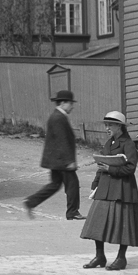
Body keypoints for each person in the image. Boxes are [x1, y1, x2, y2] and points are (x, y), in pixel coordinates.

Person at [80, 110, 138, 271]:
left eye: (110, 125)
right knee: (97, 221)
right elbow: (102, 165)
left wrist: (111, 169)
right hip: (105, 188)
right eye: (106, 125)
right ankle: (100, 256)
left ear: (119, 126)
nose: (107, 128)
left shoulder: (128, 144)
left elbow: (130, 168)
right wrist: (96, 182)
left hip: (122, 189)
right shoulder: (109, 143)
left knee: (123, 224)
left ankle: (121, 258)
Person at [23, 88, 83, 221]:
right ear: (62, 103)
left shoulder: (58, 116)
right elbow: (62, 140)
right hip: (62, 160)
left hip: (56, 160)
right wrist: (69, 161)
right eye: (70, 103)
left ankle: (31, 202)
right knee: (72, 184)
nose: (72, 107)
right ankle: (72, 212)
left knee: (55, 184)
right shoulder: (58, 118)